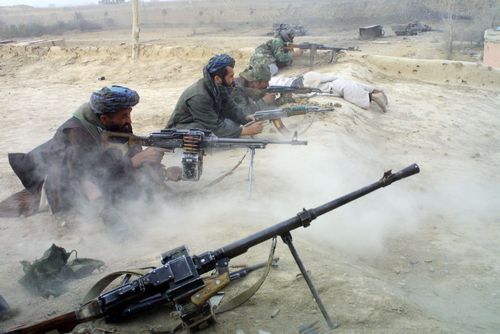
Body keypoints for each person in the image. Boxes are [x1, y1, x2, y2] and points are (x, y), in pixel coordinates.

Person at [0, 85, 180, 218]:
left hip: (106, 172)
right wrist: (134, 162)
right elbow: (91, 176)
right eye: (124, 115)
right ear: (103, 118)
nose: (128, 120)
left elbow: (133, 152)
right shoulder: (77, 132)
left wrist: (161, 171)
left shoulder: (117, 121)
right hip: (63, 184)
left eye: (129, 113)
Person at [166, 54, 265, 138]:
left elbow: (230, 108)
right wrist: (244, 131)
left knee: (231, 123)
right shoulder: (199, 96)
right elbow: (215, 128)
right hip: (181, 129)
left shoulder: (219, 87)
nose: (233, 80)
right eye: (230, 76)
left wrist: (246, 118)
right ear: (218, 78)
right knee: (205, 131)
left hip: (205, 123)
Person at [270, 71, 389, 113]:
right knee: (359, 88)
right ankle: (376, 94)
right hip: (305, 80)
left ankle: (375, 96)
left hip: (302, 83)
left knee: (359, 95)